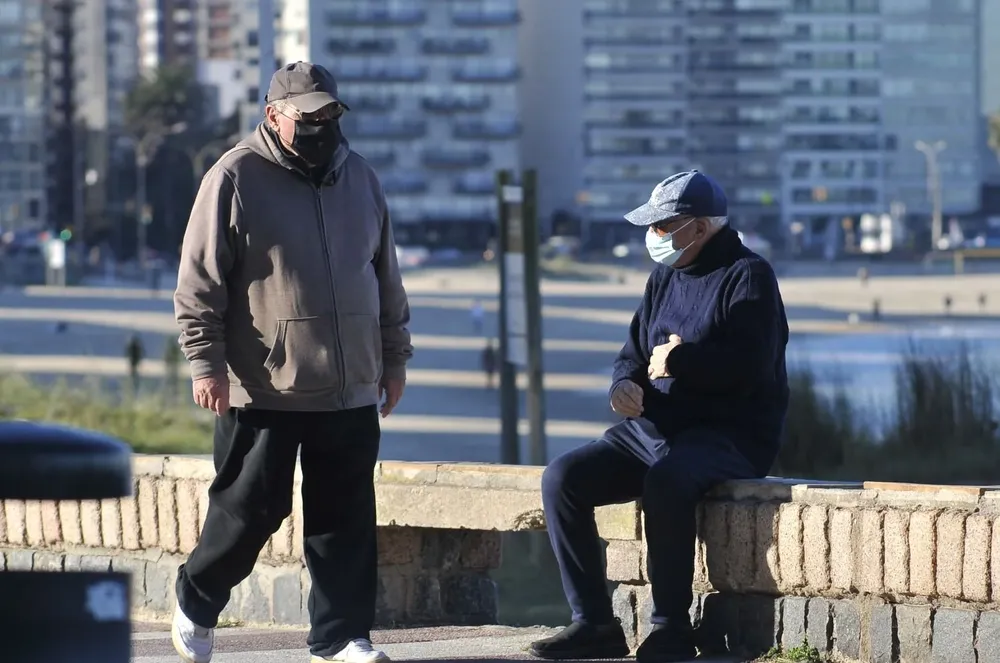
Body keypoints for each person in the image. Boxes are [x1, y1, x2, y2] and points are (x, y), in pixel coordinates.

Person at [170, 61, 413, 663]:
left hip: (350, 384)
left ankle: (340, 638)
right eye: (307, 115)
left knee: (345, 518)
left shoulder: (362, 178)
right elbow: (199, 284)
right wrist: (205, 364)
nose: (319, 125)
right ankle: (196, 599)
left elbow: (384, 276)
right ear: (273, 115)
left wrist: (393, 358)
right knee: (249, 511)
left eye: (329, 113)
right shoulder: (233, 176)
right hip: (264, 385)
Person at [529, 171, 789, 663]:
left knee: (666, 482)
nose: (653, 235)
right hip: (653, 430)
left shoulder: (749, 276)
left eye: (663, 226)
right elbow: (632, 352)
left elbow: (750, 367)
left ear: (699, 227)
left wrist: (681, 359)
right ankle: (594, 624)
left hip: (728, 435)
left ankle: (671, 629)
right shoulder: (664, 276)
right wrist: (622, 386)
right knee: (562, 478)